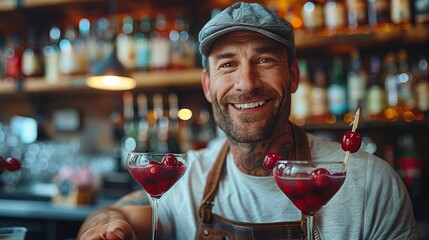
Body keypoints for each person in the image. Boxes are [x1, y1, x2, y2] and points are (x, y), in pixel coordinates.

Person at [78, 2, 420, 240]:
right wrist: (104, 226)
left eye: (266, 59)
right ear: (208, 86)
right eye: (227, 64)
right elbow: (118, 215)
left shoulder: (369, 184)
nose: (246, 82)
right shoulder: (185, 177)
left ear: (294, 76)